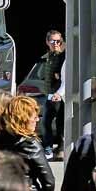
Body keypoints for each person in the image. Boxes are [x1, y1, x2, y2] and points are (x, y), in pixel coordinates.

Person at [33, 31, 65, 159]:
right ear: (47, 42)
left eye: (59, 41)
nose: (56, 44)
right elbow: (42, 74)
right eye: (53, 41)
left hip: (59, 94)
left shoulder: (62, 57)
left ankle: (57, 149)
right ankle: (50, 148)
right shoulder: (48, 56)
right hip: (49, 94)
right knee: (46, 122)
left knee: (57, 123)